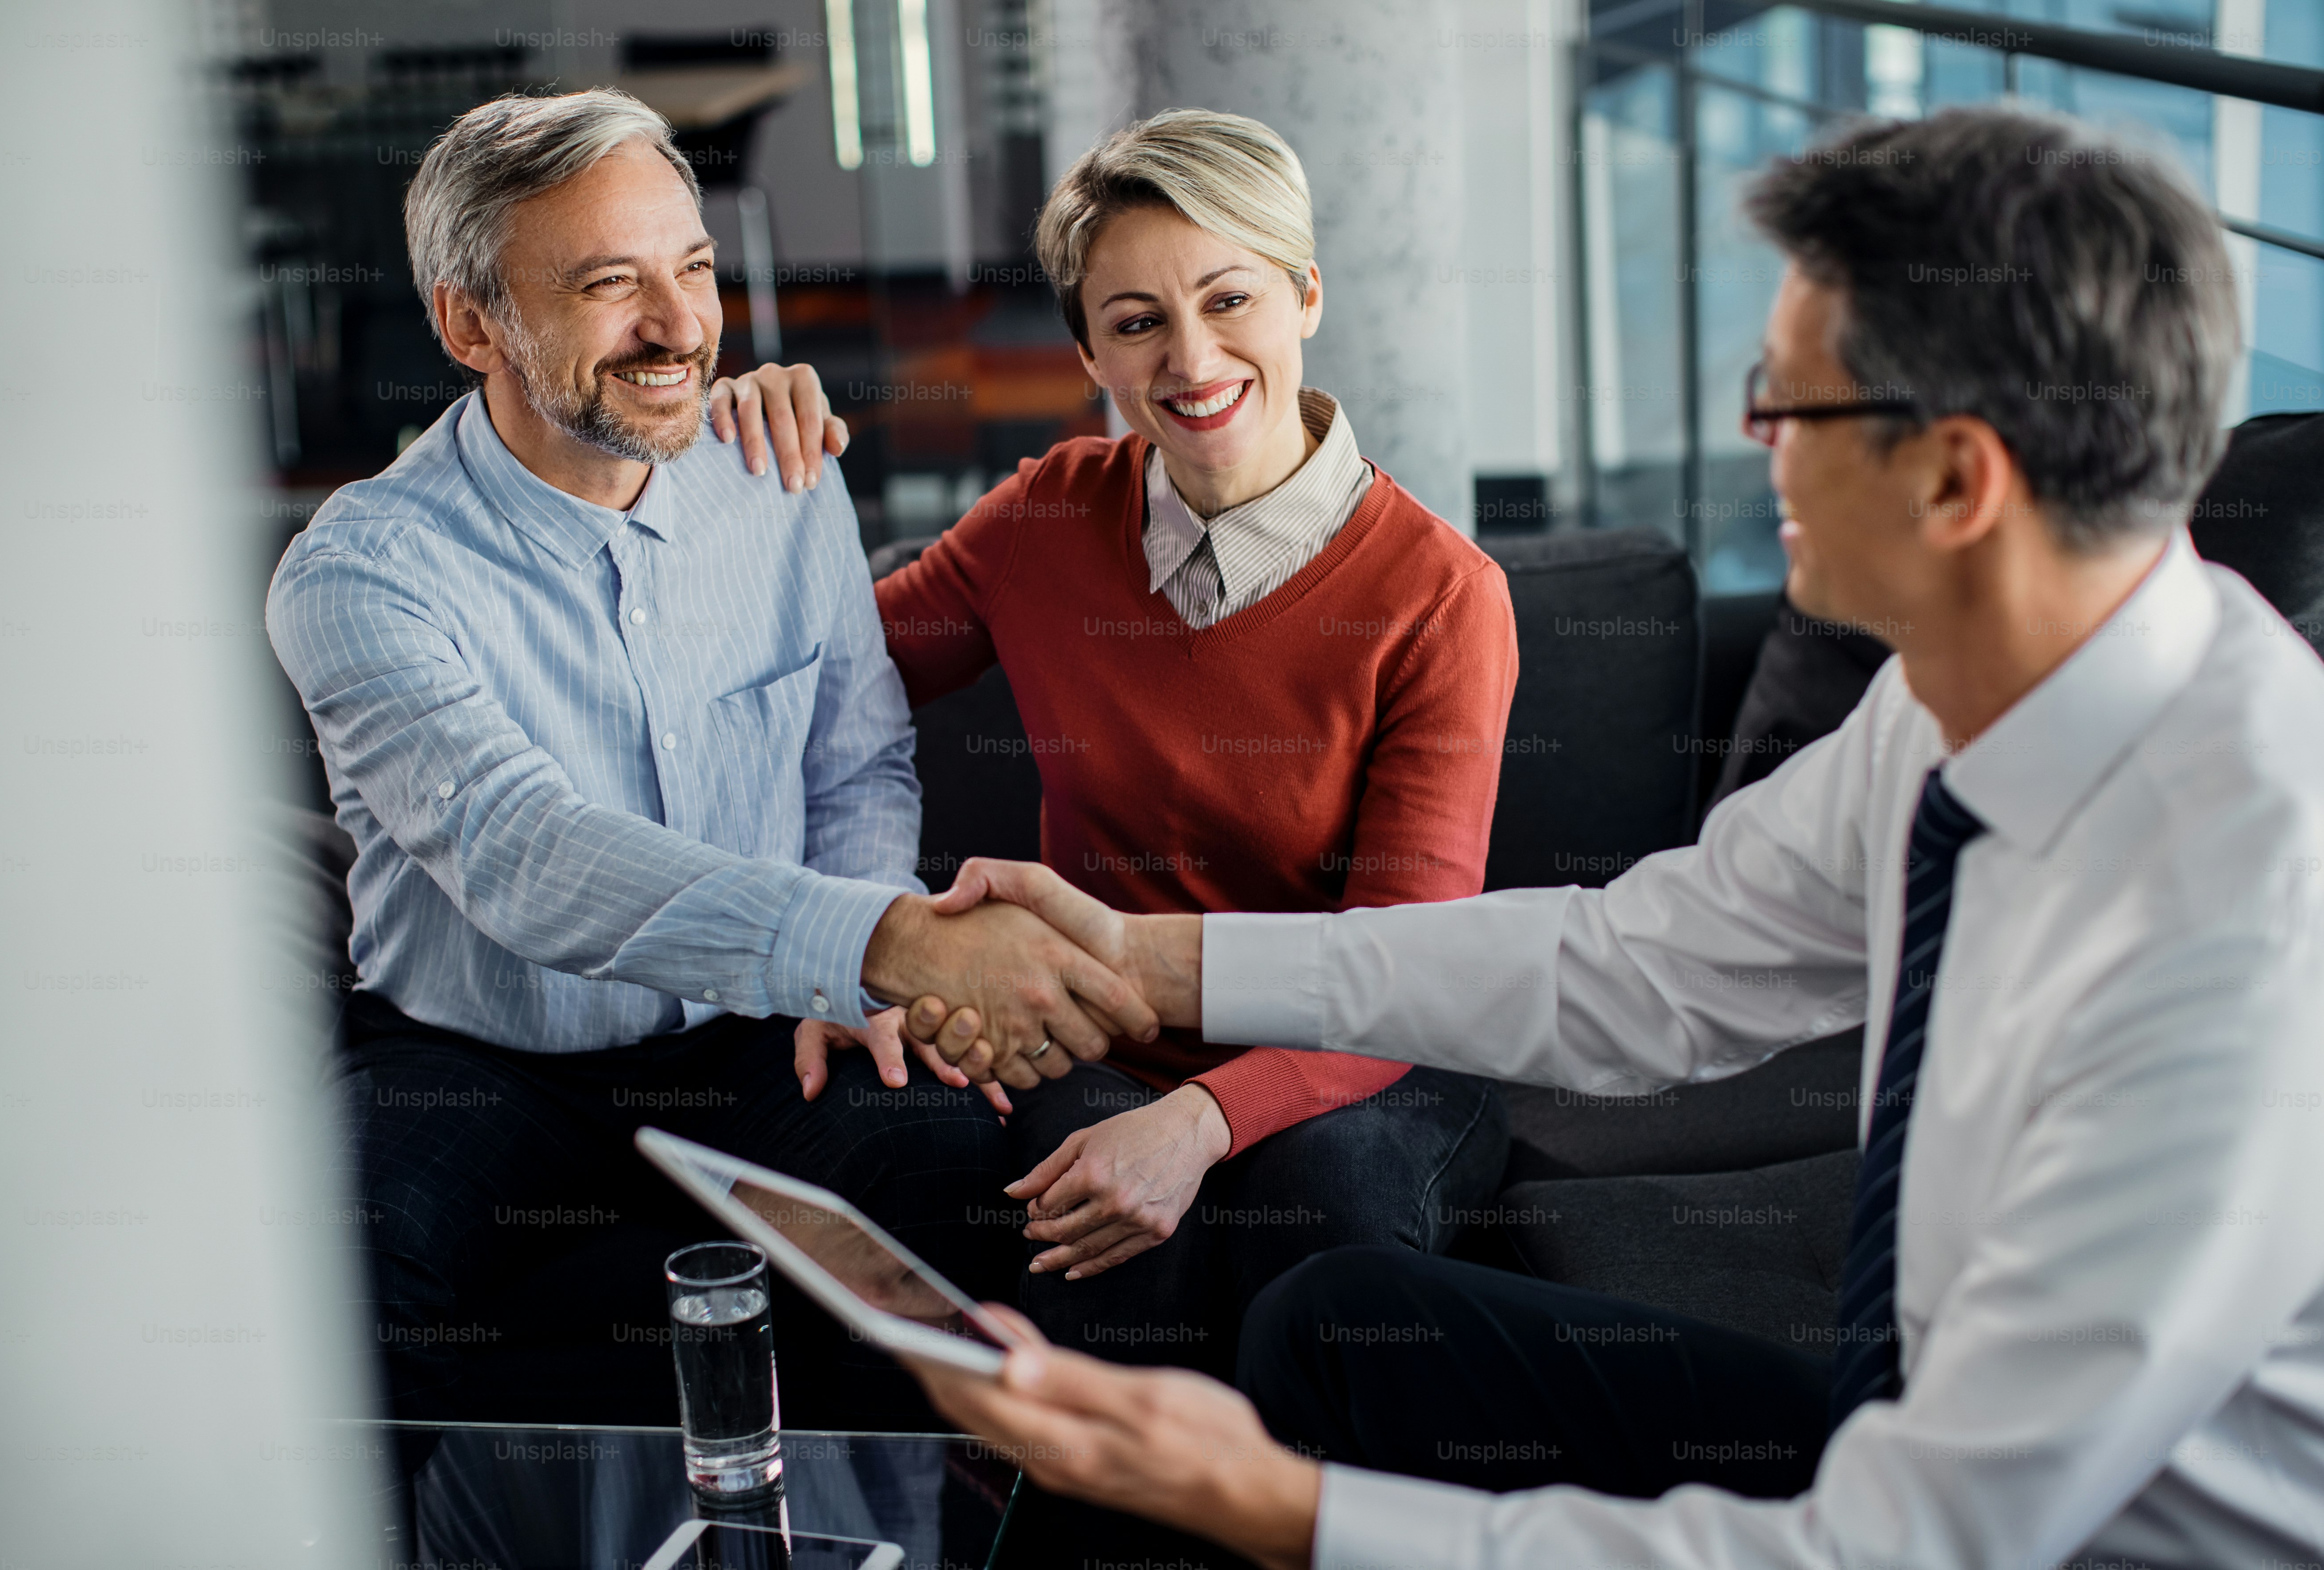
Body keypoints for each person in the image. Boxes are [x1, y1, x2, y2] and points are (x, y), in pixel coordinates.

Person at [898, 106, 2324, 1570]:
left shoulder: (2240, 923)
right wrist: (1143, 956)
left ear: (1958, 481)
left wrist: (1276, 1506)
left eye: (1789, 401)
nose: (1753, 441)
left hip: (2056, 1544)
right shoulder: (1960, 700)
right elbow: (1630, 968)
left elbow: (1908, 1548)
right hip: (1913, 1433)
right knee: (1331, 1333)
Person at [265, 88, 1153, 1427]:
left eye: (694, 270)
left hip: (757, 1031)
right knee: (331, 1285)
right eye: (612, 285)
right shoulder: (361, 571)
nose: (682, 326)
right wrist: (878, 941)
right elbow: (527, 854)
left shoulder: (777, 472)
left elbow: (855, 769)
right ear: (467, 323)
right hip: (479, 1055)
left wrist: (845, 986)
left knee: (962, 1188)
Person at [708, 109, 1514, 1375]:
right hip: (1105, 1036)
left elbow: (1403, 974)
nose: (1192, 358)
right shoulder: (1047, 519)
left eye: (1229, 297)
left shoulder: (1440, 596)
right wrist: (734, 470)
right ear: (1090, 351)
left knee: (1327, 1223)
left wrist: (1203, 1119)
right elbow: (804, 685)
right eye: (1137, 320)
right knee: (1081, 1231)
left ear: (1306, 294)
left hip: (1368, 1053)